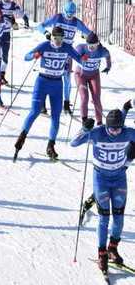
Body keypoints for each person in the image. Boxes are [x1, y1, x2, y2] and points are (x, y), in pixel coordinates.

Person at [70, 109, 135, 275]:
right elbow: (73, 143)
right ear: (106, 126)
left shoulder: (127, 133)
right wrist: (85, 129)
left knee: (119, 217)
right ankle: (102, 254)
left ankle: (113, 248)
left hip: (119, 178)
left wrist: (130, 155)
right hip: (101, 180)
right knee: (104, 218)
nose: (115, 132)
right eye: (112, 129)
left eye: (118, 129)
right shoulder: (98, 133)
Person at [14, 25, 85, 160]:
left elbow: (80, 60)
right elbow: (26, 57)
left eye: (60, 38)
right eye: (55, 38)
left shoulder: (67, 47)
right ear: (51, 37)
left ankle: (51, 145)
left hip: (57, 84)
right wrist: (34, 55)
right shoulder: (45, 45)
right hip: (42, 82)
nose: (58, 41)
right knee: (34, 111)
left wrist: (85, 59)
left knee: (55, 116)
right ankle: (22, 136)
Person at [38, 1, 91, 115]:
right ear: (64, 10)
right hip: (53, 49)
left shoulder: (76, 22)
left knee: (67, 79)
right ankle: (42, 103)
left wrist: (93, 42)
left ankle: (66, 104)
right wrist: (46, 33)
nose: (70, 16)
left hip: (67, 52)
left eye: (72, 14)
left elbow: (89, 33)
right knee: (49, 76)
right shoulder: (58, 17)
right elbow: (40, 26)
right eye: (68, 13)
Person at [75, 32, 111, 126]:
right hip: (81, 75)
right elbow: (72, 56)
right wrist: (81, 58)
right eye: (89, 45)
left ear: (97, 43)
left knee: (96, 98)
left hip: (94, 75)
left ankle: (99, 123)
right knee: (84, 97)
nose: (91, 47)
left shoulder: (101, 51)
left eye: (93, 45)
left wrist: (108, 66)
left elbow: (108, 56)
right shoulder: (81, 48)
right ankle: (84, 121)